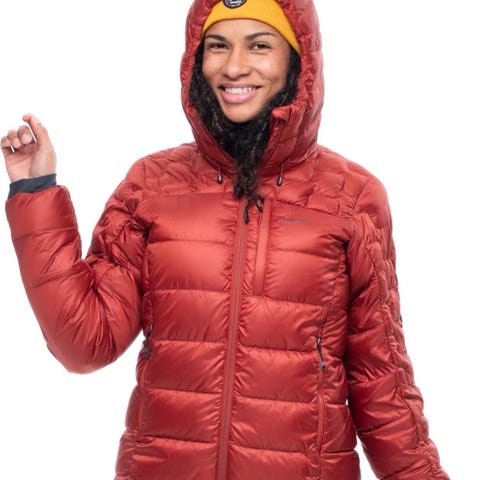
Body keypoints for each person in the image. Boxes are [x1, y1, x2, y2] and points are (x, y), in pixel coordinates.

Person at [2, 0, 449, 479]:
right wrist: (35, 192)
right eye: (217, 46)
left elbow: (382, 384)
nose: (234, 67)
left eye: (259, 46)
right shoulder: (151, 185)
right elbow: (84, 343)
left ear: (298, 60)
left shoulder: (352, 198)